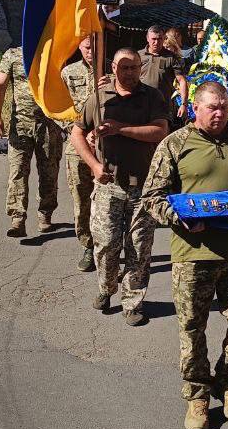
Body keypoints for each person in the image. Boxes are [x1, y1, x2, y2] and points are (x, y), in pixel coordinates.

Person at [143, 80, 228, 429]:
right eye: (212, 107)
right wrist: (179, 217)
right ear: (195, 108)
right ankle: (197, 394)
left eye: (225, 107)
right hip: (193, 254)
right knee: (193, 327)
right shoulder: (175, 144)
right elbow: (153, 198)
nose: (220, 113)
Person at [71, 48, 171, 326]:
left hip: (144, 188)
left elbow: (160, 131)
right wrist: (93, 165)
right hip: (109, 185)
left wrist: (119, 128)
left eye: (134, 67)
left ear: (141, 67)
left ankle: (133, 302)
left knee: (139, 248)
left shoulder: (152, 97)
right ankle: (106, 287)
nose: (129, 72)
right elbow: (77, 133)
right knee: (106, 245)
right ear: (113, 68)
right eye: (123, 67)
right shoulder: (99, 99)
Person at [0, 45, 63, 238]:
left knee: (49, 172)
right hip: (20, 125)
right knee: (17, 172)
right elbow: (0, 85)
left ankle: (45, 214)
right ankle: (17, 219)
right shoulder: (13, 55)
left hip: (49, 124)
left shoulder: (54, 51)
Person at [61, 35, 98, 272]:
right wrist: (79, 133)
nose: (91, 51)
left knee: (107, 199)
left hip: (108, 146)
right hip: (77, 147)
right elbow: (58, 109)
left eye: (94, 46)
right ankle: (88, 245)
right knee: (81, 198)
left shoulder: (113, 71)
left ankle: (109, 246)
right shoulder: (68, 73)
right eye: (86, 47)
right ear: (79, 47)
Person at [141, 24, 189, 124]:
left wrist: (184, 104)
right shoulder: (138, 56)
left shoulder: (171, 57)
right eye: (153, 39)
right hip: (141, 103)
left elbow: (182, 81)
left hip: (163, 106)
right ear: (147, 38)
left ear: (164, 39)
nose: (156, 42)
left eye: (159, 39)